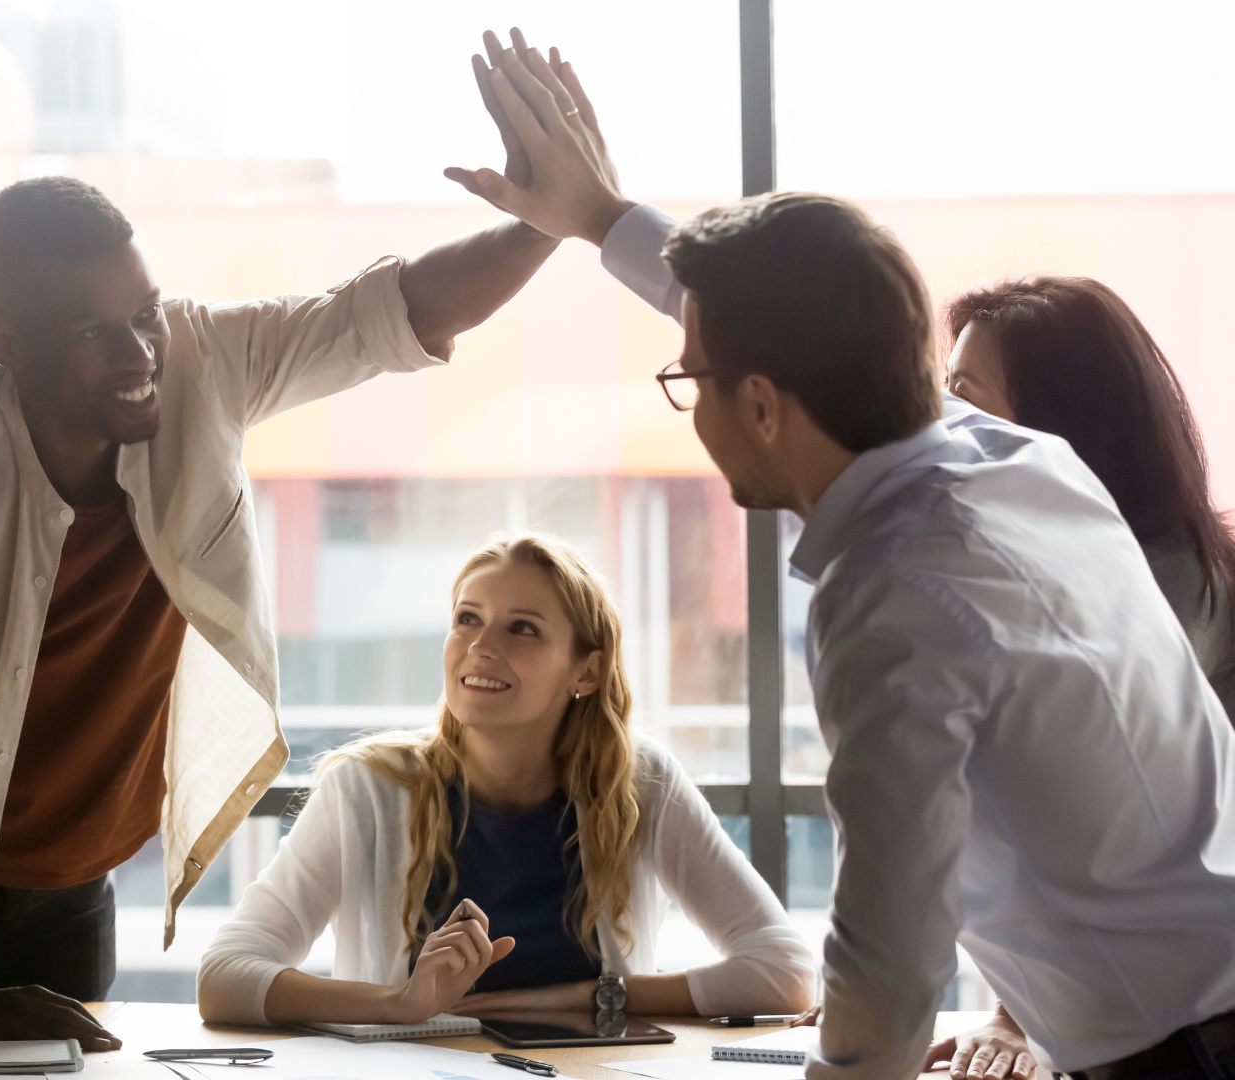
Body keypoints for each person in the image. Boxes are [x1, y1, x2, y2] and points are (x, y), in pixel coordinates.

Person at [444, 29, 1235, 1080]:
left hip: (1183, 1053)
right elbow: (792, 324)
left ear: (761, 405)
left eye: (691, 382)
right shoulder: (1012, 455)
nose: (691, 403)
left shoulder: (895, 596)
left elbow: (890, 950)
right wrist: (597, 218)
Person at [0, 157, 569, 1044]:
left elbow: (389, 316)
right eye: (92, 331)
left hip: (76, 887)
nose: (139, 356)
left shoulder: (203, 362)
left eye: (144, 315)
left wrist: (546, 221)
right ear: (4, 340)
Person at [196, 533, 814, 1027]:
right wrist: (398, 1006)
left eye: (522, 628)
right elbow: (224, 975)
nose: (480, 648)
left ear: (587, 671)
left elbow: (784, 971)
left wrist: (590, 998)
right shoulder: (366, 790)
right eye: (467, 619)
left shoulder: (639, 781)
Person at [944, 277, 1235, 721]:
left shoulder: (1169, 585)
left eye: (962, 397)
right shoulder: (1040, 561)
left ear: (1060, 428)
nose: (939, 419)